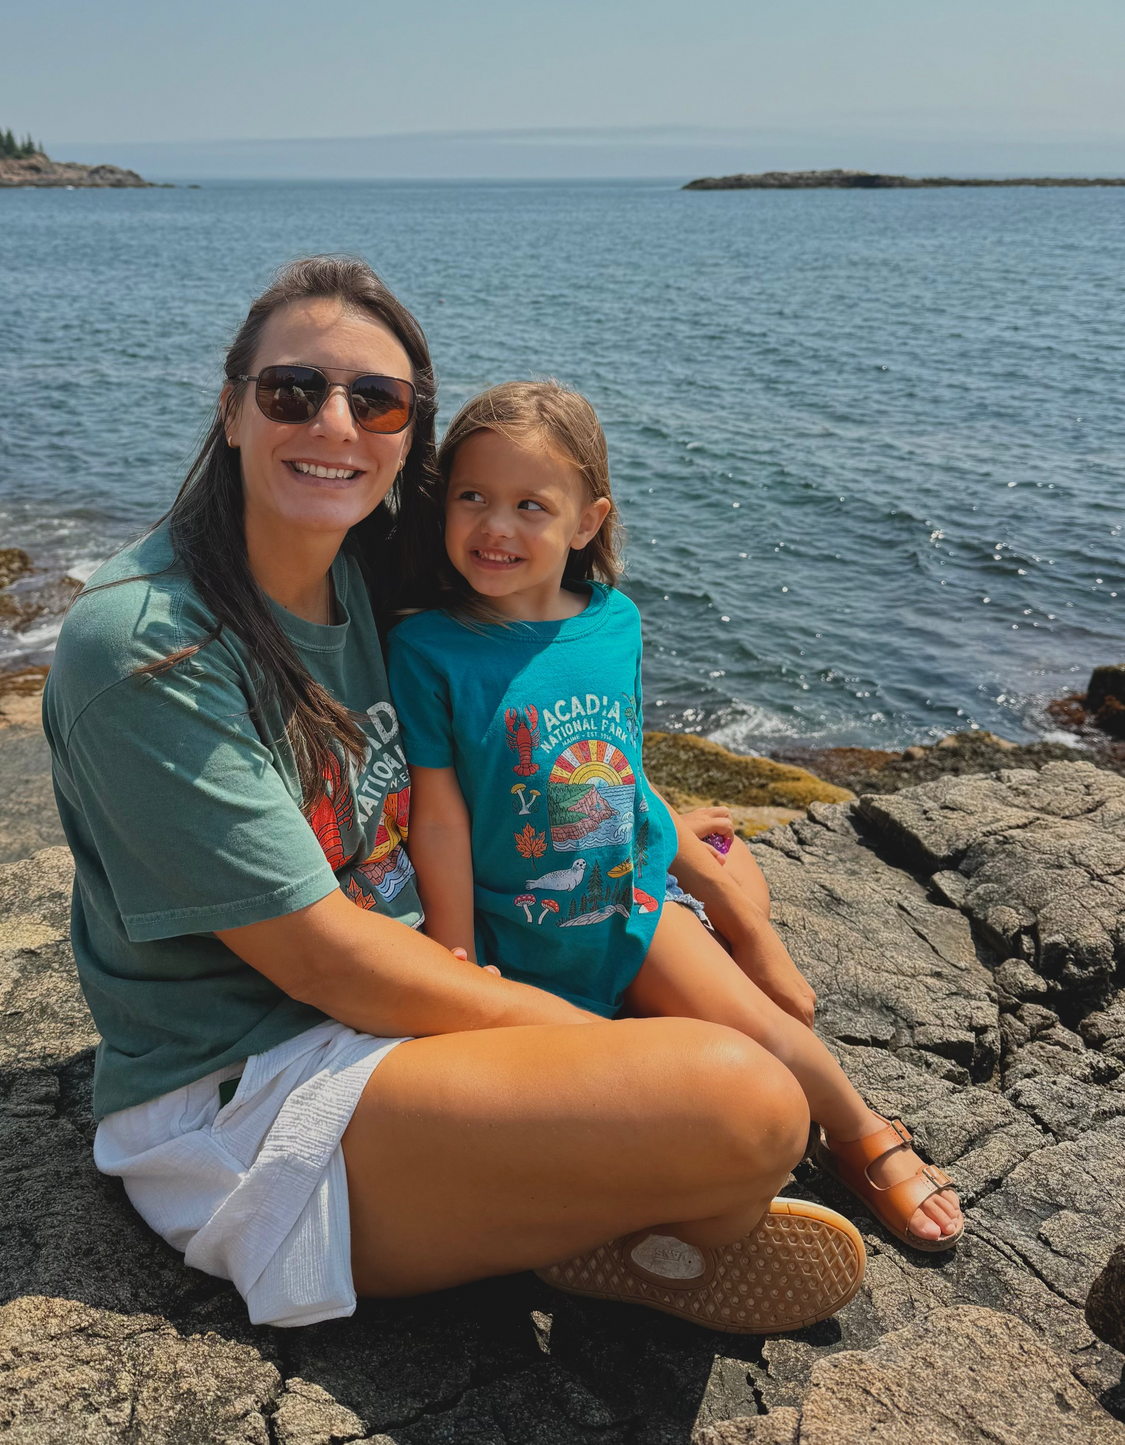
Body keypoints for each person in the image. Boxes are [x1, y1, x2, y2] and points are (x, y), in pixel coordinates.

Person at [44, 255, 868, 1337]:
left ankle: (566, 1215)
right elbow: (323, 958)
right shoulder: (146, 645)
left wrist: (644, 810)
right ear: (233, 409)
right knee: (750, 1098)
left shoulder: (362, 565)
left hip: (419, 996)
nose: (334, 423)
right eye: (293, 390)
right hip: (264, 1086)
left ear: (403, 438)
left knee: (712, 1000)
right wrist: (581, 1040)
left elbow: (518, 686)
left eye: (374, 400)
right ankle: (602, 1224)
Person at [387, 380, 962, 1255]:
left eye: (530, 505)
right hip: (518, 930)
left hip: (632, 907)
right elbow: (438, 811)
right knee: (597, 1111)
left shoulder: (613, 622)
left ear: (587, 520)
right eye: (473, 497)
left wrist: (702, 882)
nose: (495, 527)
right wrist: (457, 957)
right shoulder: (427, 646)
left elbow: (622, 767)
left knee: (770, 1033)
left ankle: (860, 1132)